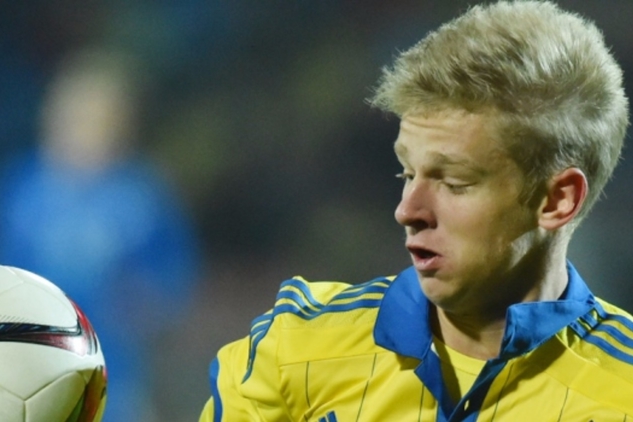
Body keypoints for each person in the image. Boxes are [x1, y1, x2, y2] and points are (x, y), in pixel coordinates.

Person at [199, 1, 633, 420]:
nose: (407, 210)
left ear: (557, 200)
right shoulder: (291, 353)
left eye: (455, 182)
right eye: (407, 173)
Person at [0, 47, 201, 421]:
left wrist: (146, 305)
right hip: (27, 377)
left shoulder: (141, 197)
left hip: (113, 379)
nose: (83, 133)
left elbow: (173, 281)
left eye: (98, 121)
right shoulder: (17, 191)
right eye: (73, 119)